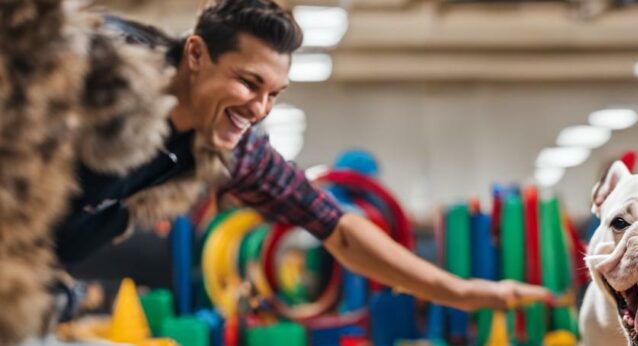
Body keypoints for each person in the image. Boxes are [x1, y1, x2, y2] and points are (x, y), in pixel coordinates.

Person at [56, 0, 551, 313]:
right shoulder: (97, 63)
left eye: (274, 93)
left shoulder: (233, 150)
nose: (259, 108)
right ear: (195, 55)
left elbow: (337, 228)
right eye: (248, 82)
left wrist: (457, 291)